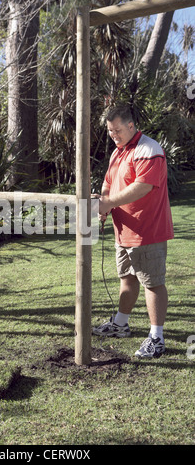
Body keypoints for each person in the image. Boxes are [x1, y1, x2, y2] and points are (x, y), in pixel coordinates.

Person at [92, 105, 174, 359]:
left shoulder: (149, 149)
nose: (113, 134)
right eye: (109, 131)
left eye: (117, 129)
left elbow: (144, 186)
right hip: (124, 230)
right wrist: (104, 205)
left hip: (146, 230)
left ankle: (156, 338)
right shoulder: (118, 152)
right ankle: (120, 323)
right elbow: (108, 183)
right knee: (127, 278)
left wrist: (109, 202)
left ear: (131, 125)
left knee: (153, 283)